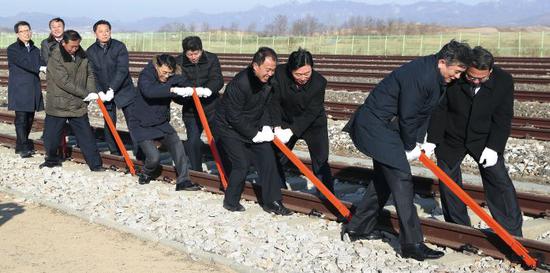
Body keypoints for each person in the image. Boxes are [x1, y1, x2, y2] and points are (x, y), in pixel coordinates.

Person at [342, 40, 472, 261]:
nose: (458, 76)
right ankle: (412, 243)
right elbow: (409, 115)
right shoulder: (421, 76)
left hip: (388, 128)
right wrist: (409, 145)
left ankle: (357, 228)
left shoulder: (436, 75)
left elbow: (424, 113)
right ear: (443, 62)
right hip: (376, 127)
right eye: (457, 71)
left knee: (385, 179)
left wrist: (419, 142)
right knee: (402, 181)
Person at [426, 46, 523, 237]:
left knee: (498, 181)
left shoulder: (504, 81)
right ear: (466, 69)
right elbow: (440, 109)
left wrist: (494, 147)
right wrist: (433, 140)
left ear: (491, 72)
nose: (476, 81)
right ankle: (459, 228)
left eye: (482, 78)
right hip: (452, 136)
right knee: (448, 182)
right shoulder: (454, 77)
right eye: (472, 77)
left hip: (484, 139)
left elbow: (503, 118)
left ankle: (512, 232)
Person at [214, 47, 292, 215]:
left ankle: (272, 202)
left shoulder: (268, 81)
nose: (270, 73)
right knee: (241, 164)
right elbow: (233, 116)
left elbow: (266, 105)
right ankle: (231, 202)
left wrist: (269, 126)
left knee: (268, 157)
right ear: (255, 66)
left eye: (273, 70)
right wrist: (255, 134)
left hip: (252, 124)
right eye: (267, 69)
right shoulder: (240, 84)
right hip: (228, 128)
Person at [129, 54, 201, 191]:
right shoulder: (146, 74)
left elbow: (184, 81)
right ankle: (146, 172)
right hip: (141, 122)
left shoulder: (172, 74)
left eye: (170, 73)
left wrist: (189, 90)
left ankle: (184, 181)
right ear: (157, 66)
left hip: (160, 121)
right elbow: (150, 92)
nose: (167, 76)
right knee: (154, 158)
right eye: (164, 72)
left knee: (178, 145)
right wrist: (172, 90)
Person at [270, 48, 333, 193]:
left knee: (321, 161)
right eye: (298, 74)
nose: (303, 77)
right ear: (290, 70)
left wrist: (292, 131)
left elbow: (312, 112)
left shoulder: (319, 83)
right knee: (277, 156)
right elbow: (274, 101)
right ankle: (278, 189)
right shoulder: (279, 74)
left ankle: (327, 195)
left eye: (307, 73)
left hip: (313, 124)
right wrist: (277, 126)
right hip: (286, 120)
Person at [39, 30, 104, 171]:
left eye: (77, 46)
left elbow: (89, 73)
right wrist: (85, 93)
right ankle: (51, 160)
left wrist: (91, 91)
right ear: (63, 43)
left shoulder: (82, 54)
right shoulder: (55, 57)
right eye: (72, 46)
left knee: (86, 136)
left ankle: (95, 165)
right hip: (58, 104)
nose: (75, 49)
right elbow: (64, 81)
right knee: (52, 137)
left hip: (77, 104)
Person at [86, 20, 137, 156]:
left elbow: (122, 70)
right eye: (101, 31)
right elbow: (92, 74)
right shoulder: (90, 51)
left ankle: (140, 151)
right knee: (109, 122)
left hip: (124, 90)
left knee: (133, 122)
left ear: (110, 31)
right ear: (95, 33)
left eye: (107, 31)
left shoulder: (119, 47)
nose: (104, 34)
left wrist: (112, 89)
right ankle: (115, 151)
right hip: (103, 91)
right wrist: (99, 91)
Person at [174, 36, 224, 172]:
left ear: (201, 51)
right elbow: (176, 86)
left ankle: (225, 169)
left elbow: (217, 79)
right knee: (193, 142)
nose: (193, 57)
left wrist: (208, 89)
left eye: (196, 53)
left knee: (220, 139)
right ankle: (196, 171)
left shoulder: (212, 59)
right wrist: (186, 94)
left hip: (212, 107)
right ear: (185, 52)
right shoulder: (178, 62)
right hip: (191, 110)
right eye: (190, 54)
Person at [7, 21, 45, 158]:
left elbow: (43, 61)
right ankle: (24, 147)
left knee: (30, 119)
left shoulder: (36, 49)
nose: (26, 33)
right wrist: (40, 68)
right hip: (20, 89)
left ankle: (20, 145)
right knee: (21, 119)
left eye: (27, 30)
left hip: (33, 89)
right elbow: (25, 63)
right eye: (22, 31)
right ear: (17, 33)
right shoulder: (13, 49)